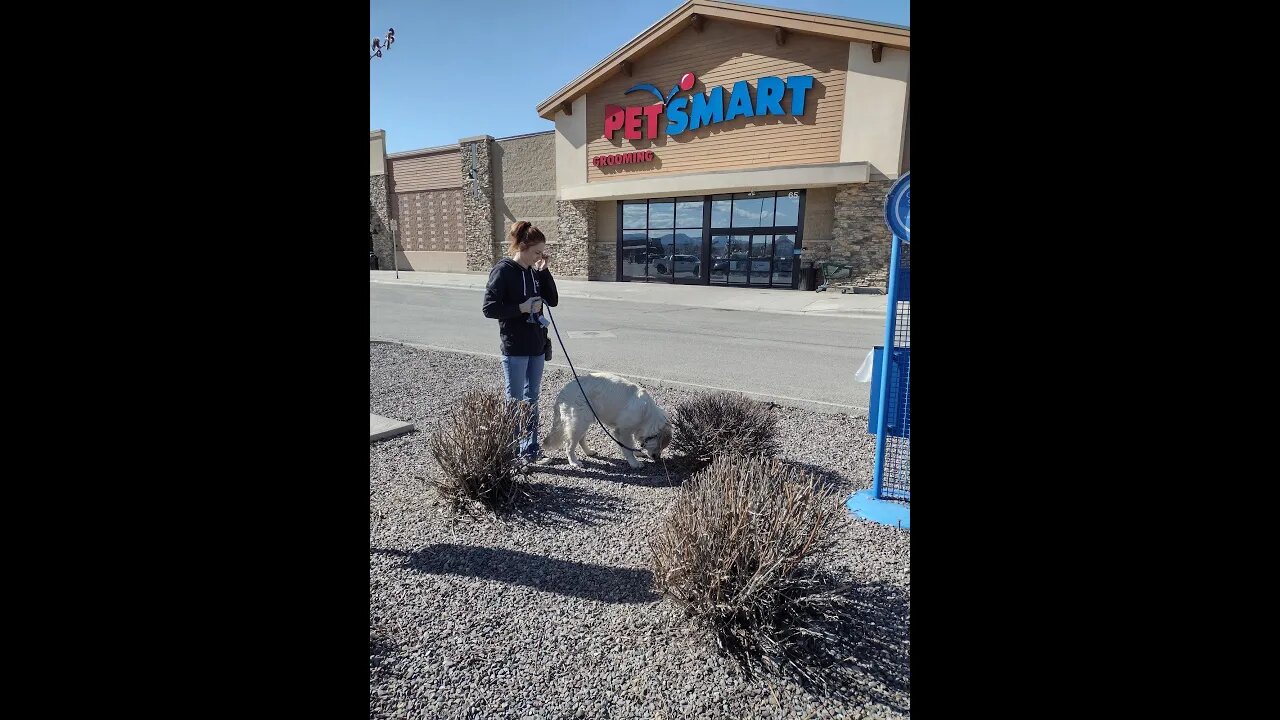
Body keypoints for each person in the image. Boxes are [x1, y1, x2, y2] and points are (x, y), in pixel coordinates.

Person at [482, 220, 559, 463]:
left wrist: (544, 270)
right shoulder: (503, 271)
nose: (539, 256)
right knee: (515, 400)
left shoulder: (534, 271)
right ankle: (511, 452)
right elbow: (489, 308)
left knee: (532, 398)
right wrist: (521, 308)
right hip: (515, 347)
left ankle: (530, 449)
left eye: (542, 253)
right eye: (536, 252)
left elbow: (553, 300)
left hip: (536, 345)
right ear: (522, 246)